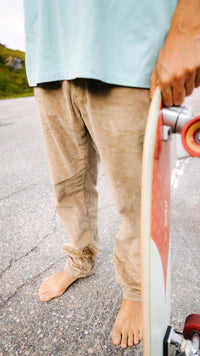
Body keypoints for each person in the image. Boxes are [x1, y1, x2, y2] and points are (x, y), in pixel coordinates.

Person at [23, 0, 200, 349]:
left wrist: (189, 28)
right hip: (48, 57)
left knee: (136, 197)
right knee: (68, 186)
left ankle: (136, 289)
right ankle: (79, 260)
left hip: (126, 50)